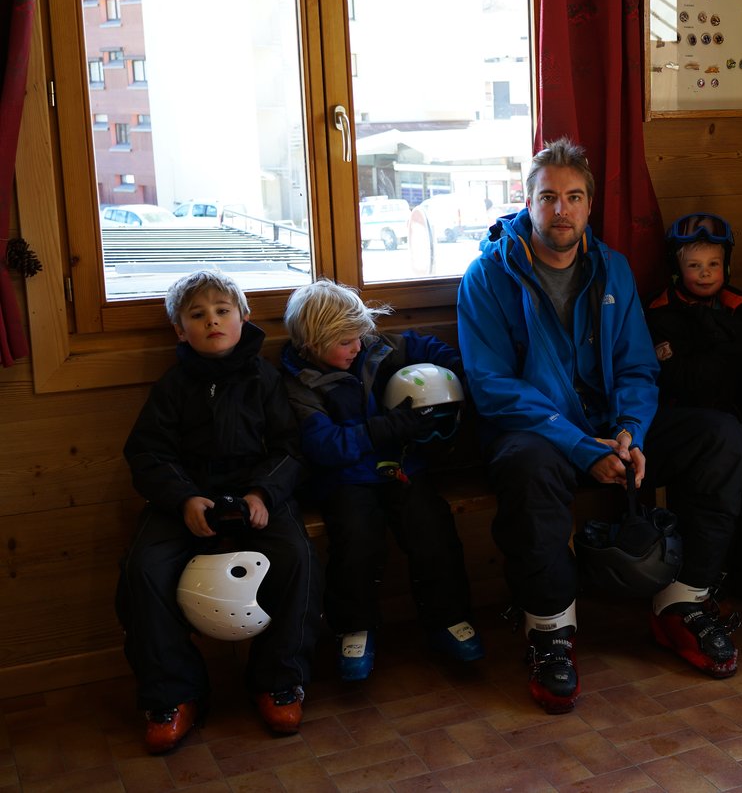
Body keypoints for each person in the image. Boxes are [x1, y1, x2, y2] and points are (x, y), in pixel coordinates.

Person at [456, 138, 742, 714]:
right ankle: (550, 630)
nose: (560, 210)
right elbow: (492, 387)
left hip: (608, 429)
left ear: (589, 205)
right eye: (548, 198)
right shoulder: (487, 276)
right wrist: (578, 445)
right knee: (527, 467)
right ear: (528, 202)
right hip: (537, 433)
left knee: (720, 437)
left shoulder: (609, 266)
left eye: (573, 197)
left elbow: (639, 366)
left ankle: (682, 602)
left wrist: (631, 432)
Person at [117, 270, 321, 754]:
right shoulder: (172, 387)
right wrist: (183, 497)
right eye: (197, 314)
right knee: (142, 570)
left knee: (299, 560)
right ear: (179, 329)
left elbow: (290, 449)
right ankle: (173, 694)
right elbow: (147, 454)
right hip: (185, 502)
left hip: (257, 499)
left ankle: (279, 681)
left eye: (222, 310)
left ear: (243, 317)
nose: (212, 321)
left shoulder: (266, 379)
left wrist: (263, 495)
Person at [279, 279, 484, 682]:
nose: (357, 346)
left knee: (432, 527)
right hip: (345, 481)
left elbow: (427, 348)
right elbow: (324, 447)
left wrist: (461, 373)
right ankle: (355, 627)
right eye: (345, 342)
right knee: (357, 539)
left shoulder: (378, 347)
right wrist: (384, 429)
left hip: (403, 468)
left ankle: (447, 619)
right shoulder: (300, 384)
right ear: (312, 344)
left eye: (360, 335)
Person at [645, 213, 742, 613]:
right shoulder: (661, 315)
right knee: (706, 483)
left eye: (713, 264)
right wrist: (722, 347)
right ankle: (709, 575)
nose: (705, 273)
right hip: (688, 423)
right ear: (677, 269)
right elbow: (683, 379)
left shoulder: (738, 308)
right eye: (694, 265)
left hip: (738, 420)